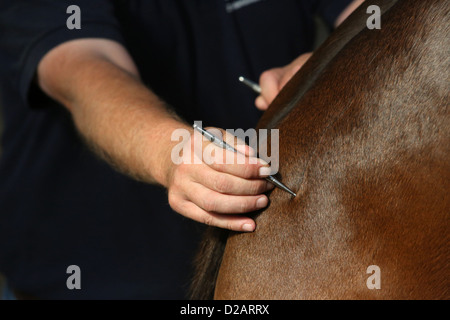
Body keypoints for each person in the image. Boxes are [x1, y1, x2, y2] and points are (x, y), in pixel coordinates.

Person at [0, 0, 362, 299]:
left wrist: (332, 65)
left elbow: (378, 14)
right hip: (95, 272)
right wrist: (171, 151)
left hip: (265, 269)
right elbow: (83, 71)